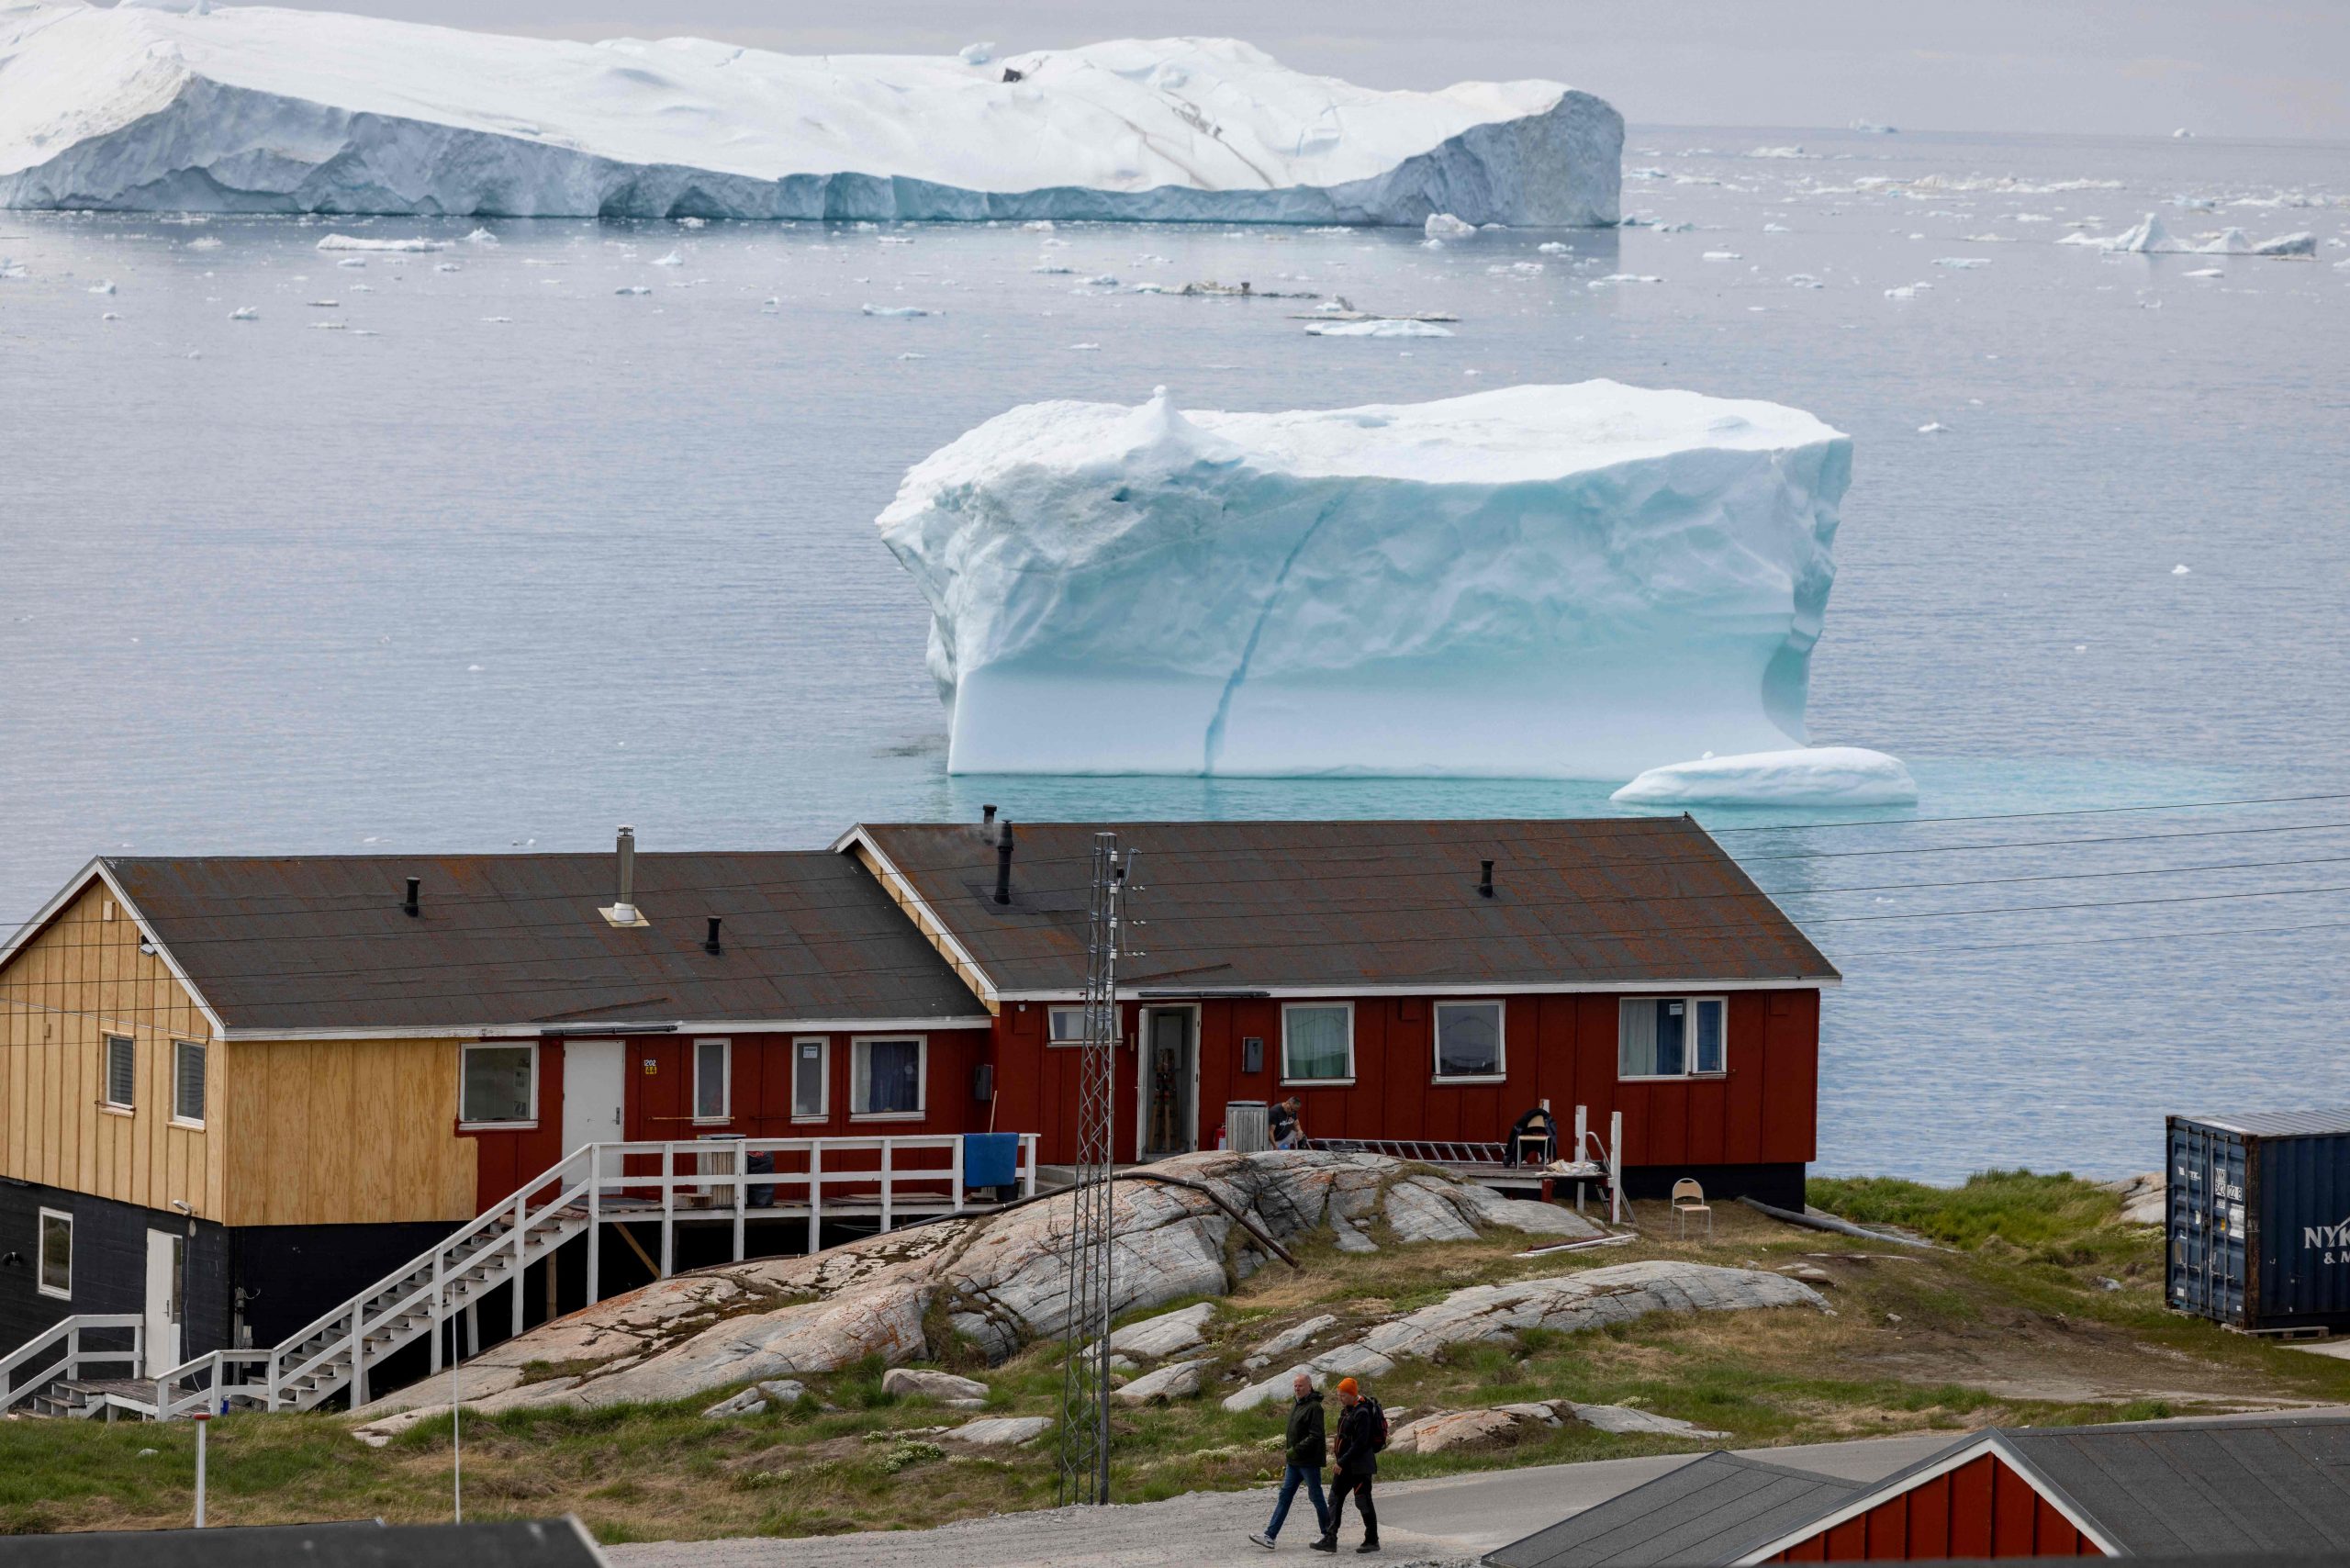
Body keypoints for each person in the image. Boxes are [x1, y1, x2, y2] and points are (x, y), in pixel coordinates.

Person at [1248, 1372, 1328, 1550]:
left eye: (1300, 1386)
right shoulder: (1297, 1404)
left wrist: (1296, 1449)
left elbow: (1316, 1436)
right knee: (1284, 1496)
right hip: (1294, 1463)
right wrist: (1291, 1453)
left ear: (1309, 1386)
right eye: (1295, 1386)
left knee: (1316, 1497)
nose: (1297, 1389)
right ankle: (1270, 1536)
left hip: (1308, 1462)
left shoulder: (1315, 1407)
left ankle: (1328, 1534)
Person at [1313, 1376, 1381, 1555]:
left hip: (1360, 1467)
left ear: (1352, 1394)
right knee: (1335, 1498)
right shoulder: (1347, 1410)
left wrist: (1341, 1461)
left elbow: (1361, 1443)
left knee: (1363, 1502)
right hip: (1346, 1466)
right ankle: (1330, 1539)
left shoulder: (1362, 1413)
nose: (1339, 1398)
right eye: (1338, 1395)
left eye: (1342, 1395)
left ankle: (1372, 1540)